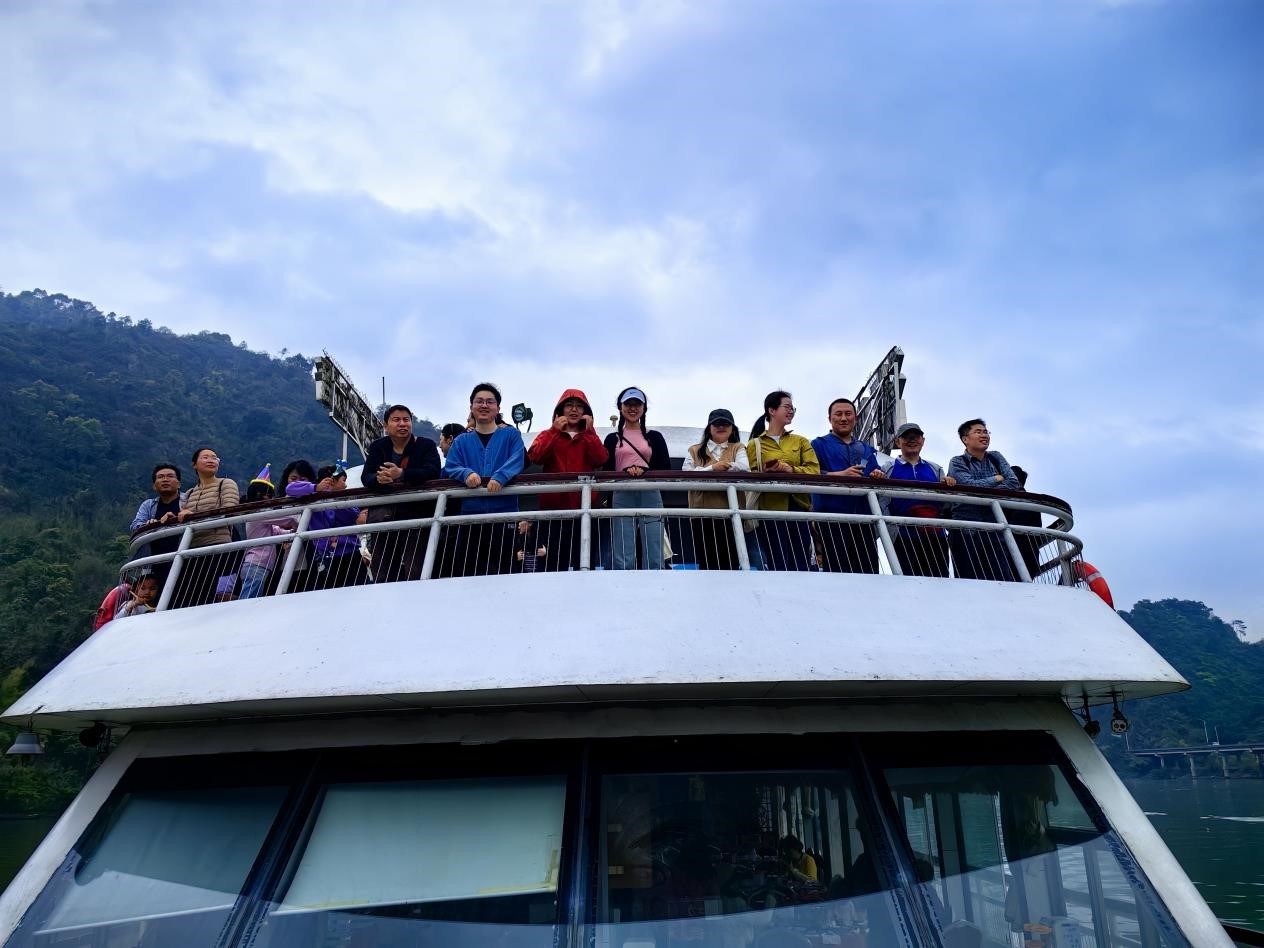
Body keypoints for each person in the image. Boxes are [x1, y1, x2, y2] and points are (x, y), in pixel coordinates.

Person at [442, 383, 526, 576]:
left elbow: (518, 458)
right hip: (471, 515)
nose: (484, 405)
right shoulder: (461, 440)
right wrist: (466, 474)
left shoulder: (511, 435)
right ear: (471, 407)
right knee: (468, 570)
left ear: (498, 408)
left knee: (507, 569)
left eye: (490, 402)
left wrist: (501, 476)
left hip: (505, 513)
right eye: (479, 401)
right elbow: (451, 465)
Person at [526, 389, 607, 570]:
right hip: (553, 512)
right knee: (551, 566)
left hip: (585, 511)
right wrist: (554, 431)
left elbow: (600, 459)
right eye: (569, 405)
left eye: (579, 406)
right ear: (560, 410)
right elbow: (535, 457)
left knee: (585, 566)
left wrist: (589, 432)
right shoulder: (548, 434)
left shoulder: (590, 436)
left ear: (586, 413)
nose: (574, 409)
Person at [361, 404, 442, 583]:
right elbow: (366, 476)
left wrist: (402, 474)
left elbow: (433, 471)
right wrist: (378, 479)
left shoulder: (426, 445)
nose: (402, 424)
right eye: (396, 420)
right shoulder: (378, 447)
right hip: (384, 517)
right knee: (383, 570)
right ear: (385, 425)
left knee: (416, 568)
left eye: (406, 420)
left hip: (417, 515)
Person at [811, 398, 886, 574]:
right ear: (830, 419)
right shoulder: (818, 444)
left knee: (868, 571)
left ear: (856, 418)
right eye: (838, 414)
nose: (844, 418)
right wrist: (841, 474)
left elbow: (875, 471)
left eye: (848, 414)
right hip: (831, 518)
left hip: (864, 519)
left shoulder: (866, 449)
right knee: (837, 571)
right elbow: (811, 473)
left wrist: (878, 474)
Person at [747, 391, 819, 571]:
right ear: (771, 410)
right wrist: (766, 472)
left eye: (793, 408)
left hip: (798, 507)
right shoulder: (755, 444)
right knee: (777, 561)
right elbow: (749, 475)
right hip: (769, 509)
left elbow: (814, 471)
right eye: (787, 407)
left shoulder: (801, 441)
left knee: (802, 562)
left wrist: (790, 469)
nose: (791, 411)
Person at [602, 387, 671, 570]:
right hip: (621, 492)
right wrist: (625, 471)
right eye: (628, 404)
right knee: (623, 546)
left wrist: (644, 471)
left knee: (654, 544)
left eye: (637, 404)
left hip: (650, 491)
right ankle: (623, 580)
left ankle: (656, 579)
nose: (632, 408)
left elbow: (664, 466)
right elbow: (607, 469)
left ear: (643, 408)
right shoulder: (612, 438)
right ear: (621, 407)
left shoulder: (655, 437)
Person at [947, 419, 1021, 581]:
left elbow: (1013, 483)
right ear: (965, 439)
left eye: (986, 432)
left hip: (995, 528)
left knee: (1002, 579)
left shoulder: (995, 457)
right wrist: (996, 479)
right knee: (969, 581)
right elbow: (969, 486)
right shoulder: (957, 461)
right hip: (966, 530)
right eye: (978, 432)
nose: (984, 435)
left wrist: (985, 491)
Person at [880, 423, 955, 578]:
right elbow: (883, 502)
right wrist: (891, 531)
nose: (912, 440)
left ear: (923, 441)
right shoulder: (888, 468)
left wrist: (949, 485)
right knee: (907, 582)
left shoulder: (935, 468)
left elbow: (946, 503)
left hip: (936, 535)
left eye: (916, 437)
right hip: (903, 535)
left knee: (940, 581)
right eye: (906, 437)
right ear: (897, 442)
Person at [172, 447, 241, 607]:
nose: (211, 460)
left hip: (217, 545)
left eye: (214, 457)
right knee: (189, 595)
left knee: (207, 593)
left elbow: (230, 511)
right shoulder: (190, 493)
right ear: (194, 464)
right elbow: (184, 517)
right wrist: (173, 518)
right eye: (205, 457)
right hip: (191, 548)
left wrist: (194, 514)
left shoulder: (226, 483)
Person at [682, 408, 750, 569]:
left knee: (732, 561)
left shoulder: (738, 447)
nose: (721, 427)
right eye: (717, 423)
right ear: (709, 428)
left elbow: (745, 467)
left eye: (726, 423)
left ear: (732, 428)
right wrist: (713, 468)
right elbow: (686, 474)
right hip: (702, 514)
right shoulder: (694, 450)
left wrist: (718, 468)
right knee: (707, 561)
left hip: (733, 514)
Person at [306, 464, 371, 590]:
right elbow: (354, 516)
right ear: (333, 480)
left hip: (342, 552)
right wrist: (319, 488)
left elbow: (354, 516)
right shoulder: (316, 497)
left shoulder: (328, 500)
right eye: (343, 481)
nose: (345, 485)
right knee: (357, 589)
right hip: (338, 553)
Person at [129, 462, 185, 585]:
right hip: (156, 562)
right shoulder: (148, 505)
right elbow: (135, 526)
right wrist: (150, 525)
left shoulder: (188, 500)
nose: (165, 479)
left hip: (186, 558)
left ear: (179, 483)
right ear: (154, 486)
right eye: (160, 477)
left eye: (170, 476)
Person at [238, 469, 291, 599]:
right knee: (248, 598)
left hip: (256, 563)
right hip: (257, 563)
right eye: (269, 495)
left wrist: (291, 532)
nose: (271, 499)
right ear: (261, 495)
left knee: (252, 595)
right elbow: (286, 520)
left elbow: (276, 531)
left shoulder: (257, 515)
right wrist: (299, 523)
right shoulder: (260, 513)